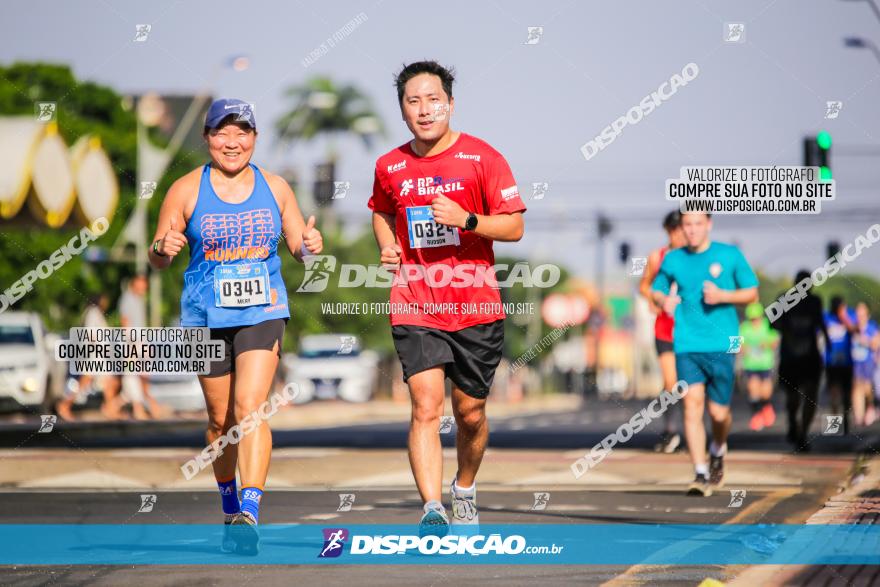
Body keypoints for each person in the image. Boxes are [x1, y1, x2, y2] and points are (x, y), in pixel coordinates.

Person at [149, 98, 323, 554]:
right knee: (218, 420)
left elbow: (297, 246)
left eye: (241, 132)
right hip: (204, 317)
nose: (232, 142)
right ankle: (229, 507)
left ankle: (250, 509)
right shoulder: (185, 190)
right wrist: (162, 247)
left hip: (262, 311)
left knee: (250, 408)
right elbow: (158, 258)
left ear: (254, 138)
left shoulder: (276, 187)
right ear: (207, 138)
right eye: (222, 133)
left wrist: (309, 245)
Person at [368, 61, 526, 536]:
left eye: (432, 99)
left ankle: (466, 488)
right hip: (415, 300)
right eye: (412, 101)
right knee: (424, 405)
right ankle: (433, 507)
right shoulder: (389, 166)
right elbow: (380, 211)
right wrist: (386, 244)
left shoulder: (483, 158)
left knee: (470, 413)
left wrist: (467, 219)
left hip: (475, 304)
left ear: (450, 104)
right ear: (402, 110)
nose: (424, 109)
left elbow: (515, 226)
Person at [651, 212, 758, 497]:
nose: (693, 230)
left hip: (722, 344)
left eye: (698, 224)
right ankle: (700, 473)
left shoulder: (729, 254)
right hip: (686, 344)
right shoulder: (673, 259)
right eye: (687, 225)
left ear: (709, 224)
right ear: (681, 227)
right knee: (692, 404)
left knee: (718, 413)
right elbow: (656, 289)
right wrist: (664, 300)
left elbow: (752, 293)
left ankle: (718, 450)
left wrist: (724, 296)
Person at [639, 210, 686, 453]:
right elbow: (644, 285)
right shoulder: (657, 257)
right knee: (671, 382)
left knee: (691, 384)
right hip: (666, 328)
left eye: (682, 229)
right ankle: (671, 431)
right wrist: (655, 299)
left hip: (692, 330)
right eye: (674, 230)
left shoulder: (697, 255)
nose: (679, 235)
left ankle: (691, 429)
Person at [771, 270, 829, 450]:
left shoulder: (811, 301)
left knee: (803, 396)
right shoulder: (790, 299)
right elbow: (772, 322)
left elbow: (820, 324)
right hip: (797, 357)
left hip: (802, 357)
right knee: (799, 397)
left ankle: (800, 430)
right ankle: (797, 426)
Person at [55, 294, 122, 421]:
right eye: (104, 299)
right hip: (95, 355)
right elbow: (91, 334)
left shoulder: (95, 313)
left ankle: (109, 408)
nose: (106, 302)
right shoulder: (93, 312)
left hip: (99, 355)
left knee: (108, 381)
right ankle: (64, 405)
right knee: (85, 382)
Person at [118, 274, 165, 420]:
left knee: (141, 376)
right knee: (135, 376)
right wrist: (136, 344)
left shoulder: (137, 300)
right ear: (135, 284)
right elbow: (125, 322)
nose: (145, 288)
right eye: (142, 285)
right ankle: (140, 408)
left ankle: (145, 406)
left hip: (139, 342)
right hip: (133, 343)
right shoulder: (128, 299)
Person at [739, 302, 780, 431]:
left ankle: (766, 407)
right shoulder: (743, 327)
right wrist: (743, 348)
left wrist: (766, 344)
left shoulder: (767, 325)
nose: (754, 321)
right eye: (752, 319)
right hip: (751, 364)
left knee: (765, 391)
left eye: (756, 318)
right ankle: (756, 415)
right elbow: (735, 345)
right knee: (753, 389)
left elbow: (775, 341)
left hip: (765, 364)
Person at [824, 296, 856, 434]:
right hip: (831, 362)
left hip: (846, 362)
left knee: (847, 395)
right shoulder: (826, 316)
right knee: (833, 394)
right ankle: (834, 427)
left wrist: (844, 318)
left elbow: (856, 330)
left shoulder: (850, 315)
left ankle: (847, 423)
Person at [851, 302, 879, 427]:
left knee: (868, 389)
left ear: (867, 315)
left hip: (869, 364)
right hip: (855, 364)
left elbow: (876, 343)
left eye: (862, 314)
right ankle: (859, 418)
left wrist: (865, 341)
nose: (859, 316)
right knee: (857, 387)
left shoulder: (872, 327)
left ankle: (870, 407)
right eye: (857, 314)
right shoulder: (852, 327)